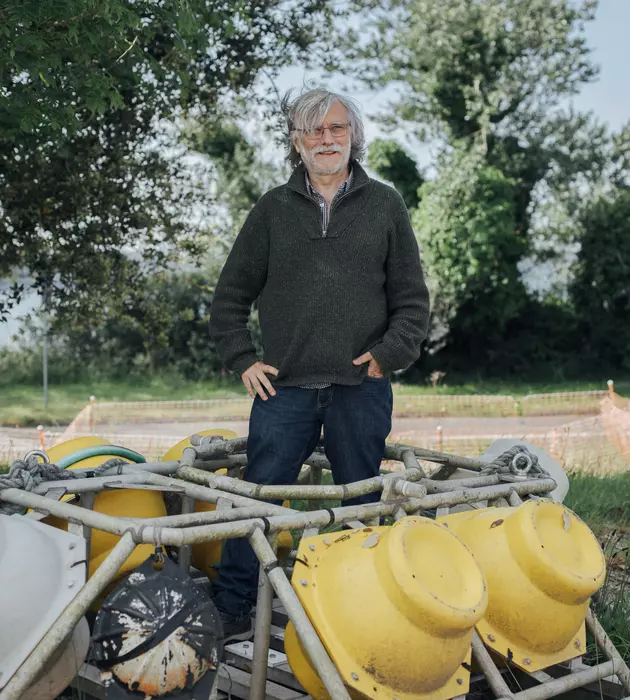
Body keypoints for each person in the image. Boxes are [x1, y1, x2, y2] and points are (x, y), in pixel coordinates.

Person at [208, 88, 430, 640]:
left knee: (357, 501)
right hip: (284, 391)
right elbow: (229, 297)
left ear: (353, 135)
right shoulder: (271, 210)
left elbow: (412, 300)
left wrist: (387, 356)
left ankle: (349, 610)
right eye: (313, 131)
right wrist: (242, 357)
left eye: (335, 128)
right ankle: (231, 608)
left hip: (362, 386)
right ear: (296, 142)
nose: (325, 139)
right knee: (258, 497)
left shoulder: (385, 205)